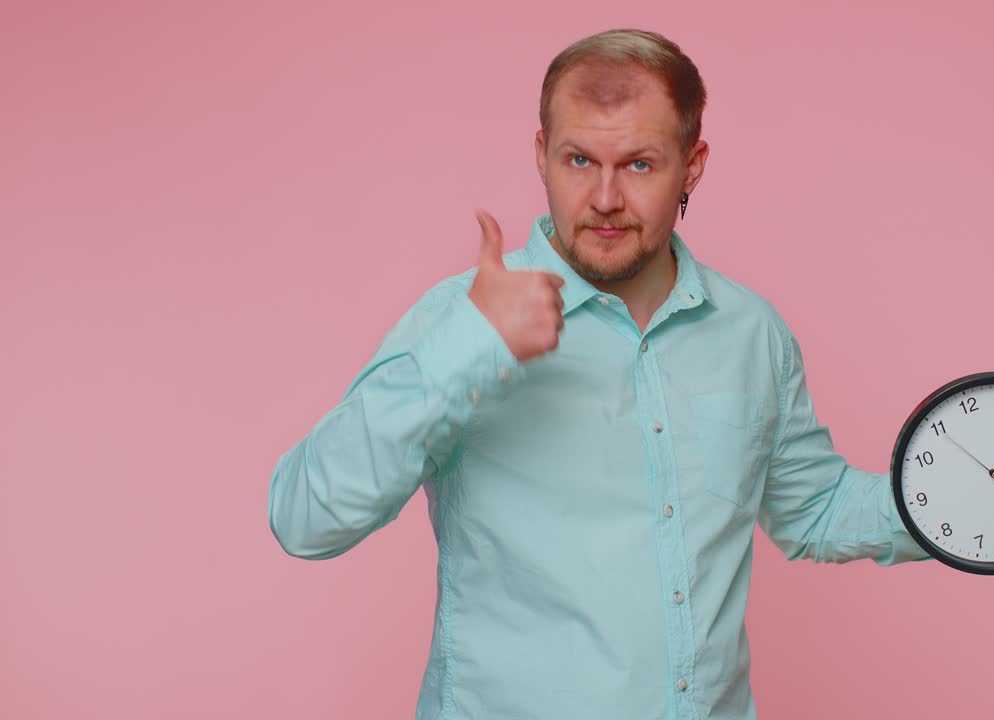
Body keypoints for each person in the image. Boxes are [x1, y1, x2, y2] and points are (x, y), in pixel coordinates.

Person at [268, 27, 930, 720]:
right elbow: (306, 519)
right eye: (579, 160)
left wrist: (959, 505)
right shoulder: (459, 319)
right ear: (540, 156)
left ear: (693, 164)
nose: (605, 198)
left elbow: (815, 510)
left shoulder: (751, 331)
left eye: (639, 165)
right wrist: (467, 349)